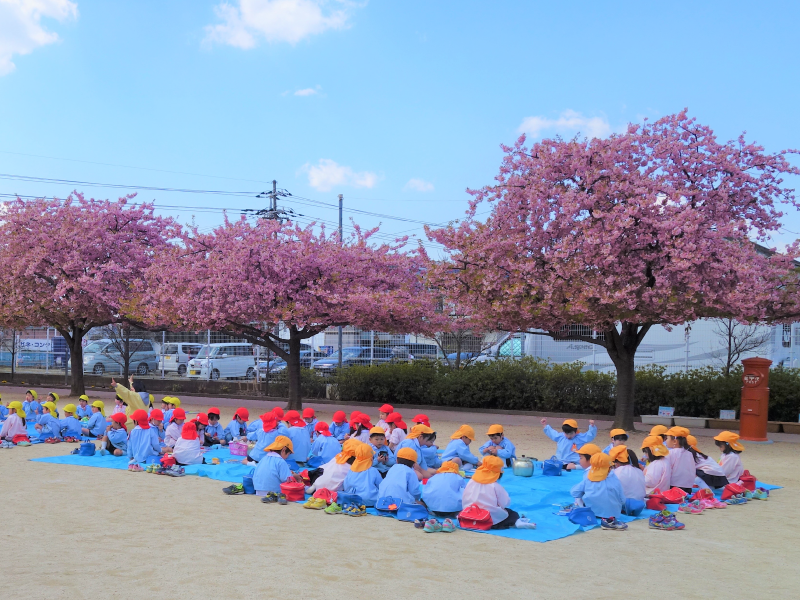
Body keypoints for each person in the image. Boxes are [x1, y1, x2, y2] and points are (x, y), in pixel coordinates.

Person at [462, 455, 533, 530]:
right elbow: (505, 503)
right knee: (512, 514)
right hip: (487, 518)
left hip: (469, 513)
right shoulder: (495, 486)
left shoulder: (471, 481)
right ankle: (517, 522)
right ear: (499, 474)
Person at [570, 453, 627, 530]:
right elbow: (622, 500)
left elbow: (574, 492)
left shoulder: (588, 478)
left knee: (580, 497)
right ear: (609, 467)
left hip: (591, 514)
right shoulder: (614, 478)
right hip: (613, 514)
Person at [665, 426, 696, 494]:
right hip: (688, 487)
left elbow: (666, 469)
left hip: (674, 487)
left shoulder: (670, 453)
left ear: (675, 441)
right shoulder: (689, 453)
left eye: (667, 438)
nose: (665, 441)